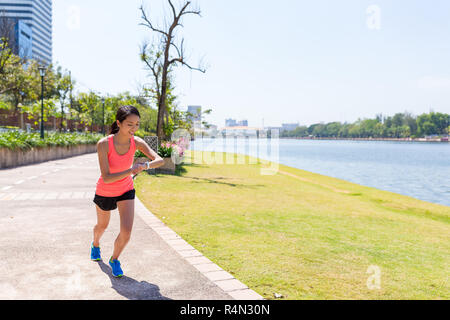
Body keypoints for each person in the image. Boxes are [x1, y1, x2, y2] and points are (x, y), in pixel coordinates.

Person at [91, 105, 164, 277]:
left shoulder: (136, 142)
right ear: (119, 123)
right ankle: (95, 244)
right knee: (102, 226)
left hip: (126, 190)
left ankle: (114, 259)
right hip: (105, 190)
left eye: (137, 124)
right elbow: (107, 177)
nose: (134, 128)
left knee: (127, 231)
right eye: (130, 124)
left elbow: (159, 160)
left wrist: (144, 165)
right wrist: (131, 170)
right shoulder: (104, 144)